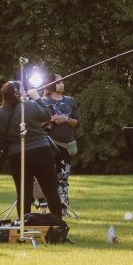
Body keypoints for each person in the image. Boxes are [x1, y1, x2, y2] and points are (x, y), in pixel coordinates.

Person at [0, 81, 63, 219]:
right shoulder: (30, 105)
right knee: (51, 191)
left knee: (23, 193)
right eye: (22, 89)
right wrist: (37, 98)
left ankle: (24, 227)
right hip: (40, 152)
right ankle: (58, 226)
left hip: (15, 156)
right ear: (18, 93)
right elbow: (47, 115)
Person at [41, 74, 80, 217]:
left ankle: (64, 209)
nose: (61, 85)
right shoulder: (43, 101)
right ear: (50, 86)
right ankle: (44, 210)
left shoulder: (70, 101)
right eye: (58, 83)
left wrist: (66, 119)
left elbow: (77, 123)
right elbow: (36, 123)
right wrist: (51, 118)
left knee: (63, 178)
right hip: (48, 145)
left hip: (66, 145)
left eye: (62, 82)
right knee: (47, 177)